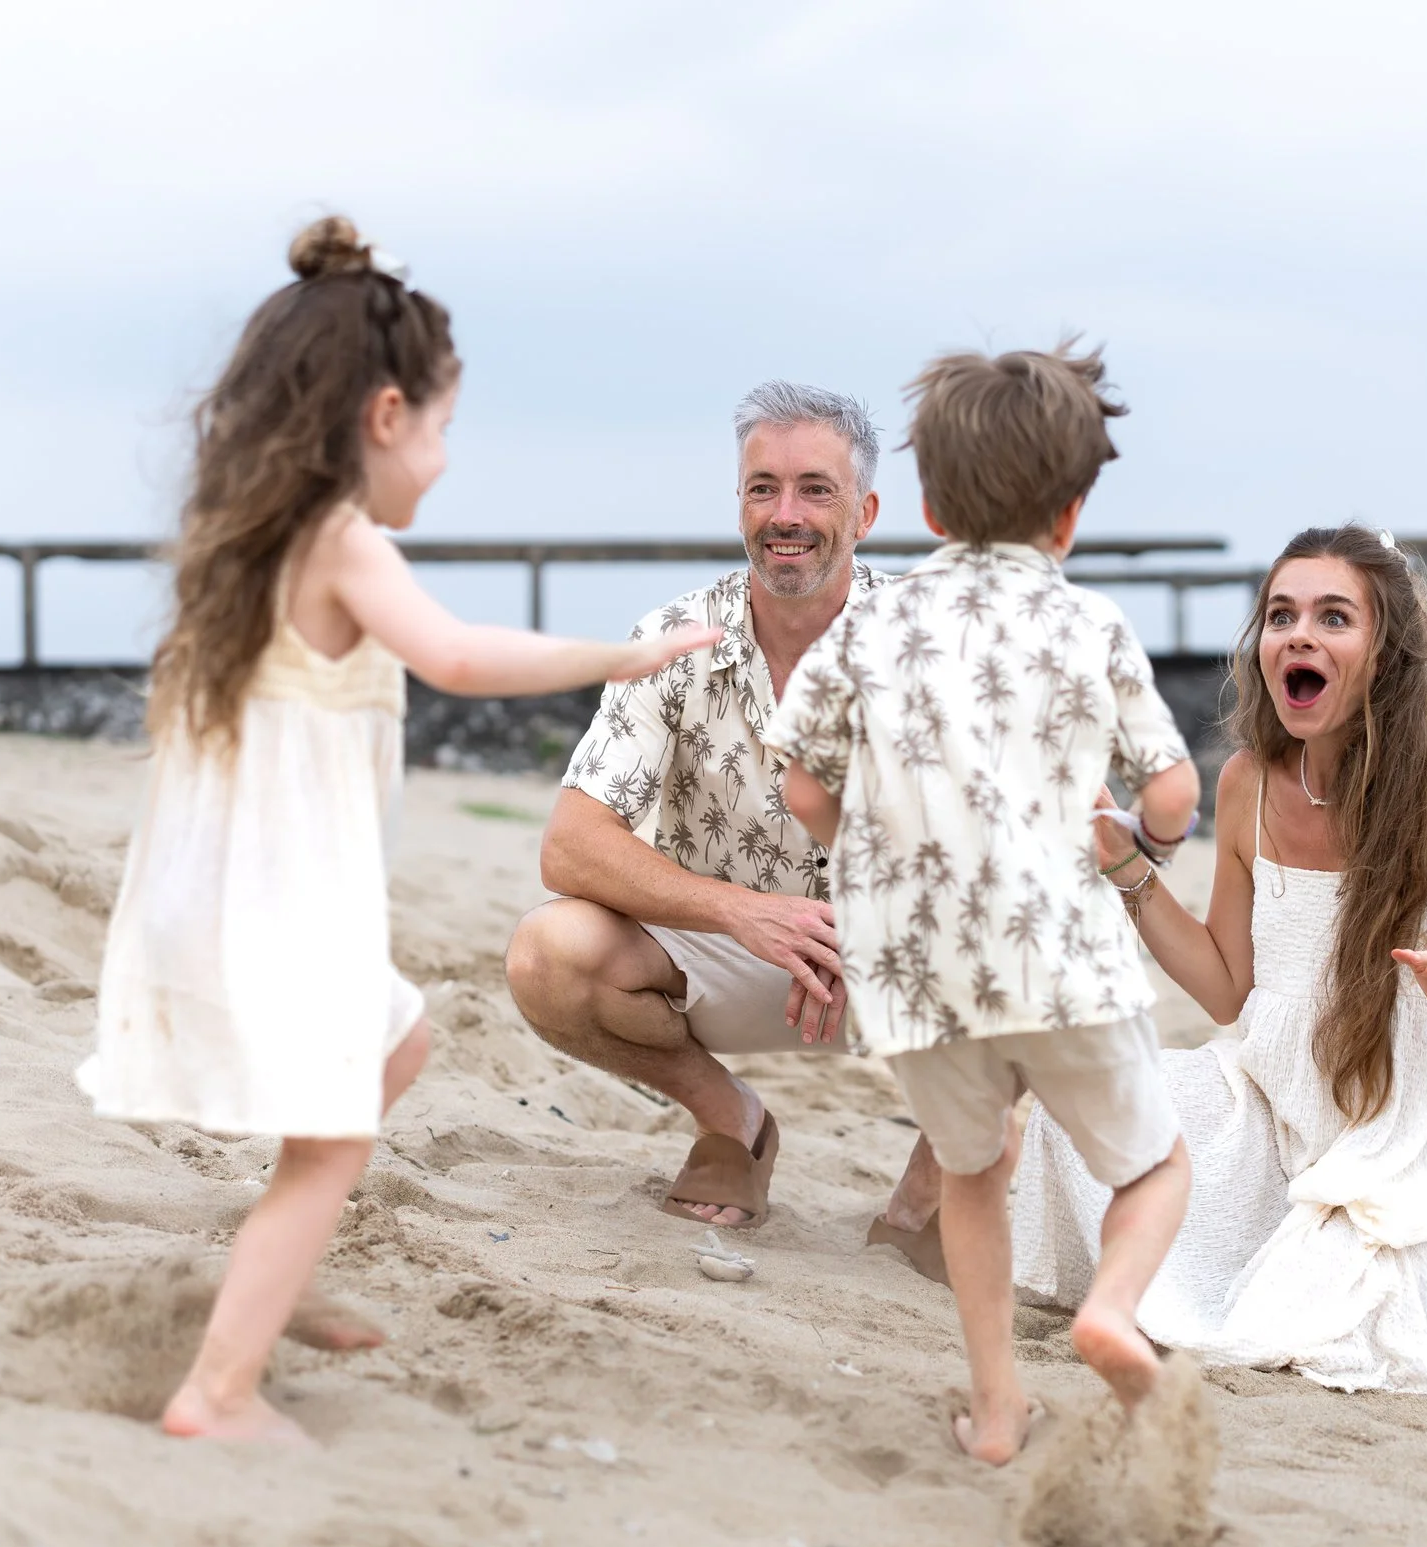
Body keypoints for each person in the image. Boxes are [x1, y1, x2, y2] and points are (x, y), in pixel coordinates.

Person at [76, 217, 716, 1445]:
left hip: (227, 897)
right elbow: (461, 655)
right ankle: (217, 1392)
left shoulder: (256, 541)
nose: (442, 458)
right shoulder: (340, 537)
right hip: (272, 910)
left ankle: (282, 1271)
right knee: (331, 1138)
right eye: (441, 430)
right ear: (382, 416)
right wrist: (623, 655)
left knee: (401, 1040)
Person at [770, 343, 1202, 1465]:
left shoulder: (868, 622)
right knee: (1154, 1166)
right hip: (1060, 956)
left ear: (921, 504)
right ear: (1069, 514)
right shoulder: (1090, 626)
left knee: (974, 1172)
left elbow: (803, 781)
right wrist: (1144, 839)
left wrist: (871, 854)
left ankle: (999, 1407)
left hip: (916, 965)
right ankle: (1111, 1305)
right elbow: (1172, 789)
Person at [1011, 523, 1427, 1396]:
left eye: (1334, 617)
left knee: (1349, 1337)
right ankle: (1374, 1246)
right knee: (1084, 1114)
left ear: (1385, 653)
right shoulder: (1246, 783)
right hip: (1272, 1098)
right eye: (1280, 615)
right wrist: (1128, 873)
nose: (1298, 634)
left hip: (1407, 1123)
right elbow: (1229, 989)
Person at [504, 384, 946, 1257]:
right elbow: (570, 843)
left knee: (1062, 944)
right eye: (762, 488)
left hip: (901, 964)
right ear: (739, 503)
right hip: (730, 953)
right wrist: (744, 913)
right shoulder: (674, 639)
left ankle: (923, 1201)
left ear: (864, 511)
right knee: (545, 955)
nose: (787, 514)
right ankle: (730, 1120)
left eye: (815, 489)